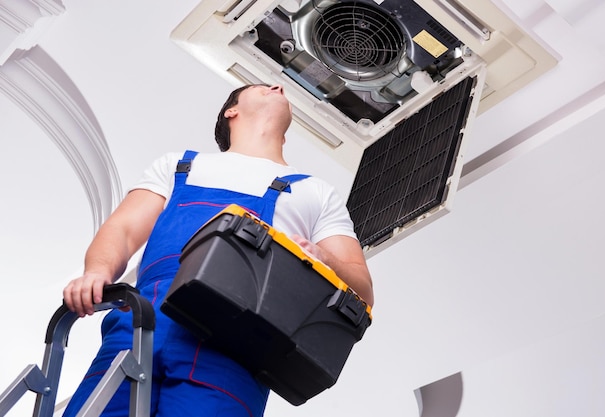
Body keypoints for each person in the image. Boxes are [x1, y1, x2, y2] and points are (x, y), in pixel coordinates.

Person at [62, 84, 374, 417]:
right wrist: (97, 271)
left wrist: (323, 258)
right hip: (143, 322)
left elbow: (363, 290)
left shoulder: (315, 192)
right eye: (262, 86)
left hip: (238, 348)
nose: (278, 85)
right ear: (231, 111)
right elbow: (122, 230)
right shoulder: (180, 166)